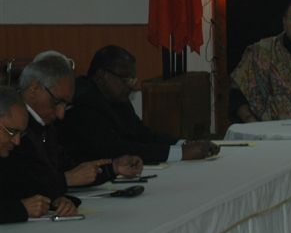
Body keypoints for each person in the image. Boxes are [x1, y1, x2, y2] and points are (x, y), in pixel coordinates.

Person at [0, 57, 135, 205]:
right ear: (34, 89)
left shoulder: (45, 125)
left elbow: (65, 167)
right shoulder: (11, 128)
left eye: (66, 105)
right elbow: (17, 184)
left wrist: (111, 168)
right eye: (57, 102)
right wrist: (66, 180)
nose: (61, 114)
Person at [60, 46, 219, 164]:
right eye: (126, 79)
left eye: (132, 79)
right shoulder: (83, 102)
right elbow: (116, 149)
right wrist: (180, 153)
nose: (133, 86)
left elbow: (142, 134)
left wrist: (183, 143)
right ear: (101, 76)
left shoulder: (115, 96)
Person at [0, 86, 75, 222]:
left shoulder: (6, 158)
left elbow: (23, 187)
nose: (17, 142)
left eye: (21, 134)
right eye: (11, 131)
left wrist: (54, 201)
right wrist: (20, 209)